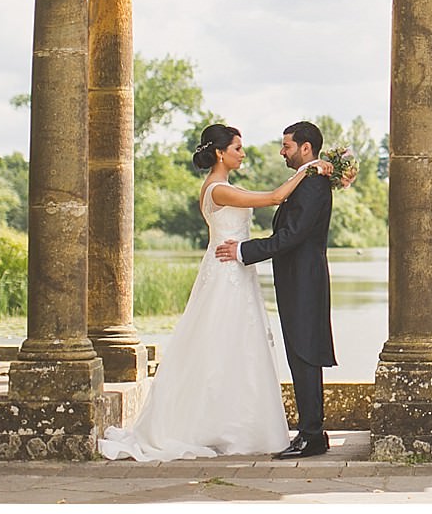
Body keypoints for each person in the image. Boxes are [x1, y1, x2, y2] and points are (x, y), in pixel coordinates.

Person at [98, 123, 332, 462]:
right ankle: (214, 425)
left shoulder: (226, 186)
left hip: (238, 270)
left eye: (286, 146)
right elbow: (274, 198)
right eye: (238, 147)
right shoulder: (217, 189)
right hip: (226, 271)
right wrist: (313, 168)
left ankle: (237, 423)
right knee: (217, 345)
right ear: (220, 152)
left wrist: (320, 170)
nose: (244, 152)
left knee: (238, 349)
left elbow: (283, 206)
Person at [215, 120, 350, 460]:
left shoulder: (314, 184)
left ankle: (311, 435)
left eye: (287, 146)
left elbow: (292, 235)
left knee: (304, 353)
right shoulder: (307, 179)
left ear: (306, 148)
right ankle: (312, 432)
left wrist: (244, 251)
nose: (281, 151)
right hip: (297, 277)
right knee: (299, 352)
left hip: (305, 279)